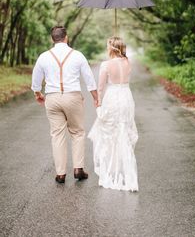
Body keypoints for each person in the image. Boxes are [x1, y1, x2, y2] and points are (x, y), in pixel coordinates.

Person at [31, 26, 98, 184]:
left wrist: (38, 94)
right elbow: (89, 79)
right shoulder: (77, 55)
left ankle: (60, 174)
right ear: (66, 37)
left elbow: (36, 80)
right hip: (72, 97)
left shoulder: (43, 57)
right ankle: (78, 169)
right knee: (77, 132)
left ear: (52, 39)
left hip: (52, 98)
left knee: (57, 135)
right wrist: (96, 97)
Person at [88, 36, 138, 192]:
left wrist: (98, 103)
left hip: (112, 99)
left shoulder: (106, 65)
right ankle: (127, 173)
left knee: (109, 136)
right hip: (126, 97)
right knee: (123, 133)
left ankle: (110, 172)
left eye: (108, 46)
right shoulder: (128, 62)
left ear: (112, 48)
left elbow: (101, 87)